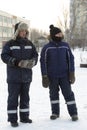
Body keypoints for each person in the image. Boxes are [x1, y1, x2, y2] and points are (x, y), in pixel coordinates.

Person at [1, 22, 38, 127]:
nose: (24, 32)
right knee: (13, 98)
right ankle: (13, 119)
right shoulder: (10, 44)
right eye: (21, 30)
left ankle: (24, 117)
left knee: (25, 98)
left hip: (26, 77)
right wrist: (16, 62)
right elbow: (4, 56)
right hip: (14, 77)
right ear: (17, 31)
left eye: (25, 30)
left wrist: (32, 62)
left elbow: (35, 55)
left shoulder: (30, 44)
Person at [40, 25, 78, 121]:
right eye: (58, 33)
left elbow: (71, 59)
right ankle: (55, 112)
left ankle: (73, 113)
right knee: (53, 95)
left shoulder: (65, 45)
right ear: (53, 35)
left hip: (64, 76)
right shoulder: (47, 48)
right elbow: (43, 62)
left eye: (61, 33)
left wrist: (71, 72)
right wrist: (44, 75)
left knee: (68, 94)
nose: (60, 35)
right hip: (51, 76)